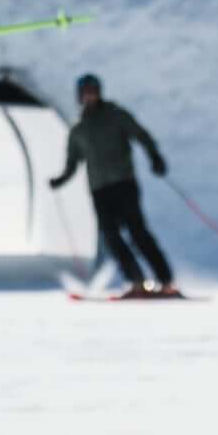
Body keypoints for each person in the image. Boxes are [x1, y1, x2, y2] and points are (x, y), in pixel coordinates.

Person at [51, 72, 178, 297]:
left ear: (99, 93)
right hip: (99, 189)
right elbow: (73, 161)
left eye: (93, 91)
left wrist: (154, 156)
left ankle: (165, 280)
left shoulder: (116, 116)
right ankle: (136, 281)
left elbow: (141, 135)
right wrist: (61, 178)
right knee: (110, 236)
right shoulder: (79, 129)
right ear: (80, 97)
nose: (90, 96)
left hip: (124, 184)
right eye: (85, 93)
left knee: (137, 232)